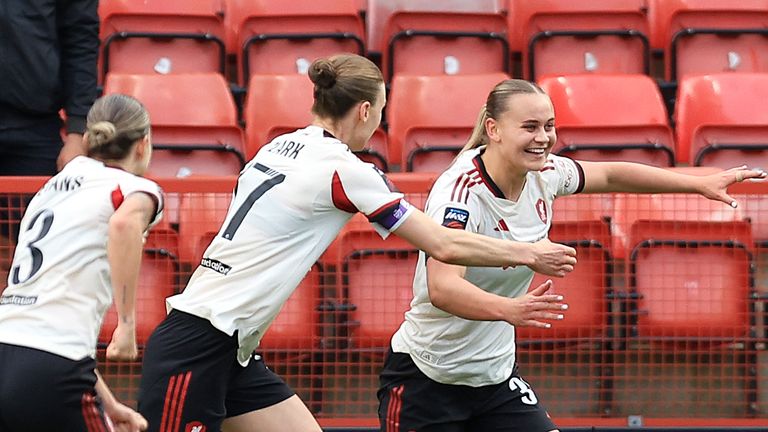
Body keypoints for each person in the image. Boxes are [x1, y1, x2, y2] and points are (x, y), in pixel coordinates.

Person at [136, 54, 578, 432]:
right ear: (365, 111)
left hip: (233, 349)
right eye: (382, 112)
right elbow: (442, 245)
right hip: (197, 345)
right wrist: (526, 251)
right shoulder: (346, 170)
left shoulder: (275, 146)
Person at [377, 78, 766, 432]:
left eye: (548, 126)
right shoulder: (460, 193)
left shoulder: (545, 173)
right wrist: (511, 309)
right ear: (493, 130)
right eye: (529, 127)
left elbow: (612, 175)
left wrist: (699, 184)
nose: (543, 138)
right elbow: (444, 288)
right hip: (426, 380)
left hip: (493, 377)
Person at [0, 94, 161, 432]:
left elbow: (51, 325)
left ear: (87, 140)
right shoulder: (135, 188)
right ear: (143, 145)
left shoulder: (50, 189)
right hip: (51, 370)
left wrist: (109, 403)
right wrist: (127, 324)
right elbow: (123, 225)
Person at [0, 0, 99, 282]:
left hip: (35, 128)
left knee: (36, 249)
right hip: (34, 124)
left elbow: (81, 40)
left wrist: (78, 131)